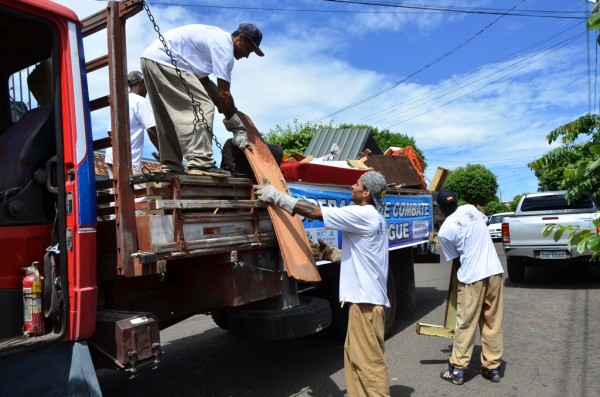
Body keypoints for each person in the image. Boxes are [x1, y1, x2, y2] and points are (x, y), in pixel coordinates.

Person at [255, 171, 391, 397]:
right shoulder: (375, 218)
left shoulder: (364, 214)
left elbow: (315, 212)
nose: (351, 186)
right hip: (366, 300)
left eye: (356, 184)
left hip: (366, 302)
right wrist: (331, 253)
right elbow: (367, 256)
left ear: (366, 192)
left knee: (368, 363)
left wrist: (276, 196)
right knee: (355, 357)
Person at [140, 23, 263, 177]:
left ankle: (171, 164)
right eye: (249, 50)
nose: (247, 55)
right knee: (203, 106)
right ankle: (201, 162)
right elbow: (224, 94)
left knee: (166, 115)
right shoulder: (225, 49)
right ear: (241, 39)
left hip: (150, 59)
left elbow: (204, 82)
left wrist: (223, 105)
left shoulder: (214, 39)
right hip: (167, 60)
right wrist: (236, 126)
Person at [435, 188, 504, 386]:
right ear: (456, 201)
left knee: (466, 323)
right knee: (493, 322)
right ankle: (492, 368)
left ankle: (457, 370)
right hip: (494, 271)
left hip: (473, 276)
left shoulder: (446, 230)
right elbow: (486, 222)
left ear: (440, 207)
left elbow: (456, 261)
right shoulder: (469, 208)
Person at [105, 71, 159, 180]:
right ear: (141, 83)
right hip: (129, 161)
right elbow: (151, 130)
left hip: (112, 158)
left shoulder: (120, 101)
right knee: (138, 196)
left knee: (117, 192)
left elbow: (110, 132)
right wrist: (163, 153)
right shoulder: (141, 102)